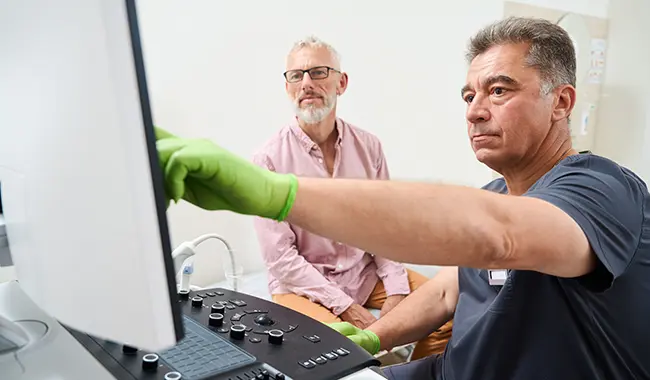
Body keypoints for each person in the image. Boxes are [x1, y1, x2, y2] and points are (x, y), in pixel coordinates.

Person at [155, 16, 650, 380]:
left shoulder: (601, 188)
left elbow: (498, 234)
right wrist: (372, 338)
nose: (475, 112)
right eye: (468, 96)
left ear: (561, 102)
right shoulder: (495, 192)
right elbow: (447, 289)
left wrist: (277, 195)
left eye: (498, 91)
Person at [251, 36, 452, 358]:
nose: (306, 84)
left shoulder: (368, 146)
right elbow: (280, 260)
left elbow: (385, 224)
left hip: (365, 275)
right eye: (296, 75)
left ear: (341, 83)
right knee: (339, 349)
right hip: (303, 286)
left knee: (447, 314)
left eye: (318, 72)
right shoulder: (268, 161)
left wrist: (397, 288)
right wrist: (345, 307)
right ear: (287, 86)